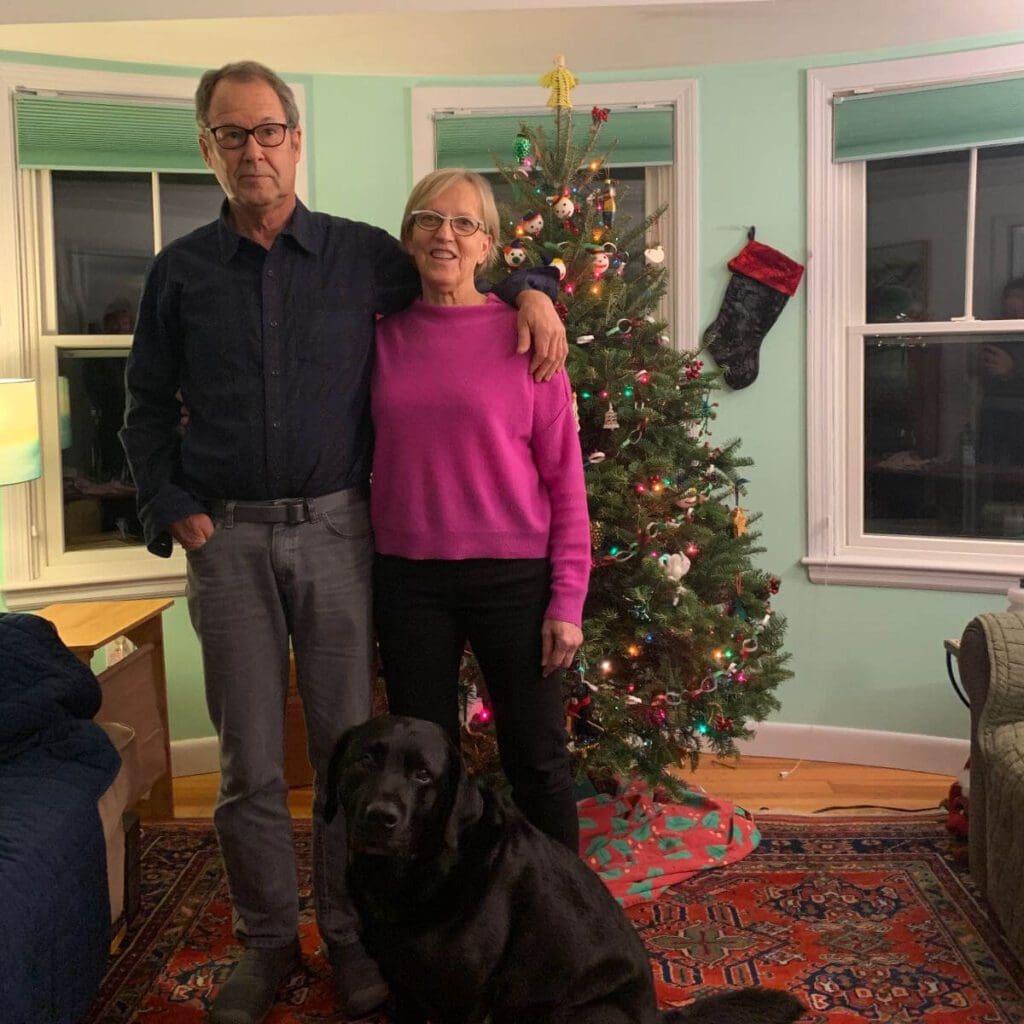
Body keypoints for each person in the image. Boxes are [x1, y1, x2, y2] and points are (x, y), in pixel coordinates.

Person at [120, 62, 565, 1024]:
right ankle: (267, 944)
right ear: (207, 146)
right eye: (231, 133)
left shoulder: (363, 256)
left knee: (348, 756)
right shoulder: (181, 272)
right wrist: (171, 503)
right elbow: (145, 407)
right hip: (227, 540)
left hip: (336, 530)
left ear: (296, 139)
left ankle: (354, 939)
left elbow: (461, 262)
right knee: (246, 763)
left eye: (269, 130)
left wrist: (536, 287)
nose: (253, 149)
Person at [371, 168, 590, 853]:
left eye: (464, 223)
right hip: (408, 583)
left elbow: (566, 480)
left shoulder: (529, 338)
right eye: (429, 220)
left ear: (488, 246)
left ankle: (563, 915)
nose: (446, 235)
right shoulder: (376, 338)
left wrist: (568, 600)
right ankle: (437, 910)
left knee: (538, 761)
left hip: (514, 582)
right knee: (420, 772)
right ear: (408, 237)